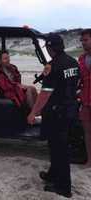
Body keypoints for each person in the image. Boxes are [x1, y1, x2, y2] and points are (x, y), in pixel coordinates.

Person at [27, 33, 80, 198]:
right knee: (55, 145)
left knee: (60, 150)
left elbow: (45, 94)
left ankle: (64, 187)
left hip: (57, 112)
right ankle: (52, 174)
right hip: (70, 109)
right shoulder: (73, 62)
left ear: (50, 48)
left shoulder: (52, 66)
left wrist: (33, 112)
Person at [0, 50, 38, 116]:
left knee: (32, 88)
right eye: (5, 59)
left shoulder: (11, 68)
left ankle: (37, 111)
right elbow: (5, 87)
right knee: (29, 90)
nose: (8, 60)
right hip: (8, 92)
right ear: (0, 61)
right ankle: (32, 114)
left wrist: (18, 83)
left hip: (15, 88)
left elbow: (18, 79)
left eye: (8, 58)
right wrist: (17, 85)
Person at [78, 29, 91, 167]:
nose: (83, 43)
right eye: (82, 40)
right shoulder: (81, 58)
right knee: (87, 132)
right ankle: (90, 160)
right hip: (85, 100)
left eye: (86, 40)